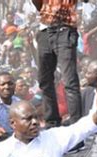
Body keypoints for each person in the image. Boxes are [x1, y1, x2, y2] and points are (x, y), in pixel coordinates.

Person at [32, 0, 82, 128]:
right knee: (44, 81)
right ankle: (52, 122)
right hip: (44, 30)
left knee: (69, 81)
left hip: (64, 29)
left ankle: (76, 128)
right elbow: (39, 6)